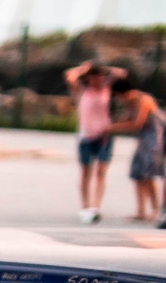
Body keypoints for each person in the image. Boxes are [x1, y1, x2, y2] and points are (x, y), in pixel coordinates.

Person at [66, 61, 125, 224]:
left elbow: (122, 72)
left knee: (101, 170)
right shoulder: (82, 91)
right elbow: (69, 76)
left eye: (100, 78)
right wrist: (82, 69)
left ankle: (95, 206)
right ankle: (85, 206)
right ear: (89, 78)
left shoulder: (106, 88)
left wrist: (106, 70)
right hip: (85, 136)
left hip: (104, 135)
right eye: (94, 78)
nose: (97, 81)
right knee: (86, 171)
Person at [114, 78, 165, 226]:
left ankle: (155, 210)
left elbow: (137, 123)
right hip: (143, 139)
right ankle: (141, 211)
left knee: (148, 173)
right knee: (137, 173)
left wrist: (111, 128)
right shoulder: (129, 102)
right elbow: (125, 119)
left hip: (155, 137)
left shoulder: (144, 99)